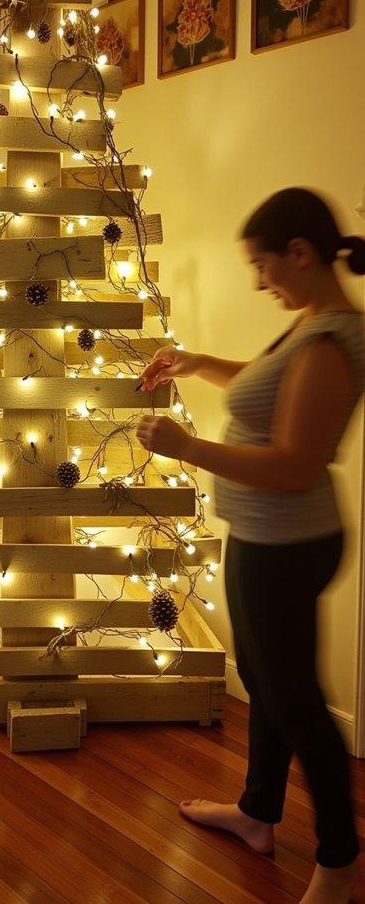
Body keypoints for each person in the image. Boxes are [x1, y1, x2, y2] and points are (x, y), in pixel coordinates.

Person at [135, 187, 365, 904]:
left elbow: (295, 466)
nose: (259, 282)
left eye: (262, 266)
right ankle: (258, 813)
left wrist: (187, 447)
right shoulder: (312, 325)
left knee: (295, 702)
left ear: (299, 252)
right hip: (268, 538)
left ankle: (340, 861)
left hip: (286, 543)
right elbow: (271, 389)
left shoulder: (328, 341)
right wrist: (197, 362)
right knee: (269, 687)